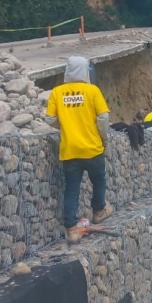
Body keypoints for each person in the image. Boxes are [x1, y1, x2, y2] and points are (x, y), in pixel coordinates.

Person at [46, 56, 113, 243]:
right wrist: (104, 138)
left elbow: (50, 119)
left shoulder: (57, 92)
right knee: (99, 180)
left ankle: (71, 228)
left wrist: (66, 124)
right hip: (92, 148)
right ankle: (99, 210)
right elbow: (103, 118)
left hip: (69, 150)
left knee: (72, 188)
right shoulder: (92, 91)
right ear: (85, 71)